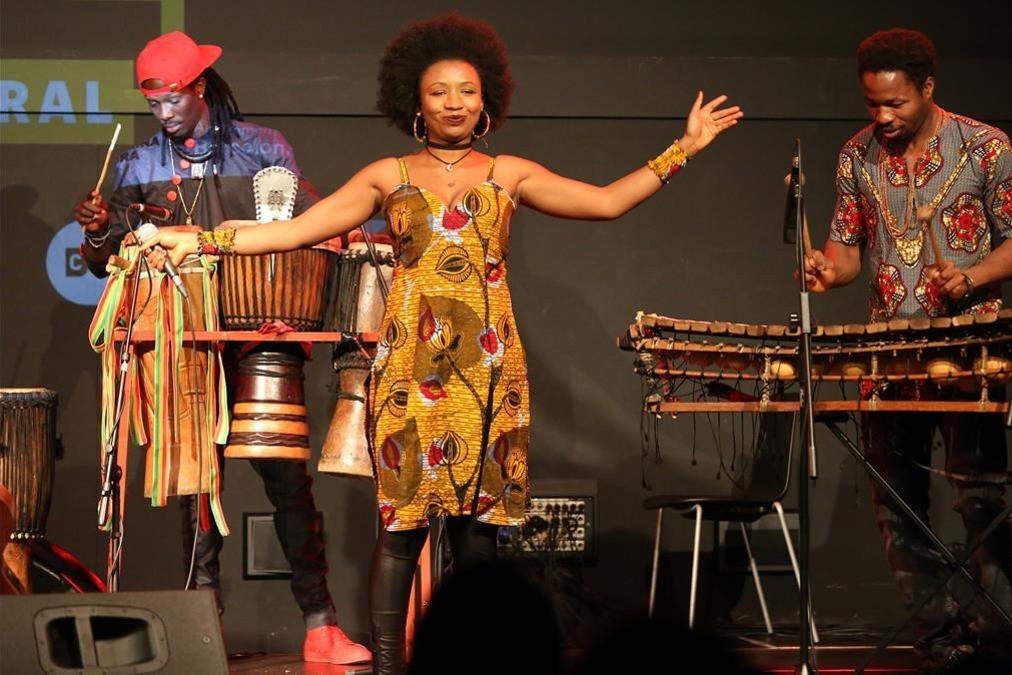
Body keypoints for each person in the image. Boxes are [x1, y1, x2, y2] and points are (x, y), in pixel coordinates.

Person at [144, 13, 741, 672]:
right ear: (415, 103)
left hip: (488, 371)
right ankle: (391, 665)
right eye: (440, 91)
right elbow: (298, 230)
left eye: (467, 90)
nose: (455, 102)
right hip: (409, 369)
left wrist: (681, 148)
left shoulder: (508, 173)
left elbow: (603, 202)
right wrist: (199, 239)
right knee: (401, 528)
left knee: (479, 532)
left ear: (487, 102)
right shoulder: (386, 176)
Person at [74, 31, 369, 665]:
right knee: (195, 488)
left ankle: (321, 625)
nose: (165, 114)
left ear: (199, 87)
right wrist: (99, 235)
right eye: (153, 104)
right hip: (188, 340)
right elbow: (107, 266)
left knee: (289, 484)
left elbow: (307, 225)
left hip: (262, 335)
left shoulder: (264, 148)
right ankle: (202, 626)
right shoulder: (137, 165)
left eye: (173, 99)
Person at [802, 28, 1012, 674]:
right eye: (873, 104)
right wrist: (828, 270)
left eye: (896, 105)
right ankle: (942, 634)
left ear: (928, 88)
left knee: (978, 494)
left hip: (968, 350)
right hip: (890, 353)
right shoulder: (857, 157)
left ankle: (1003, 634)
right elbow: (850, 252)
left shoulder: (987, 148)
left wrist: (975, 276)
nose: (882, 117)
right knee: (896, 503)